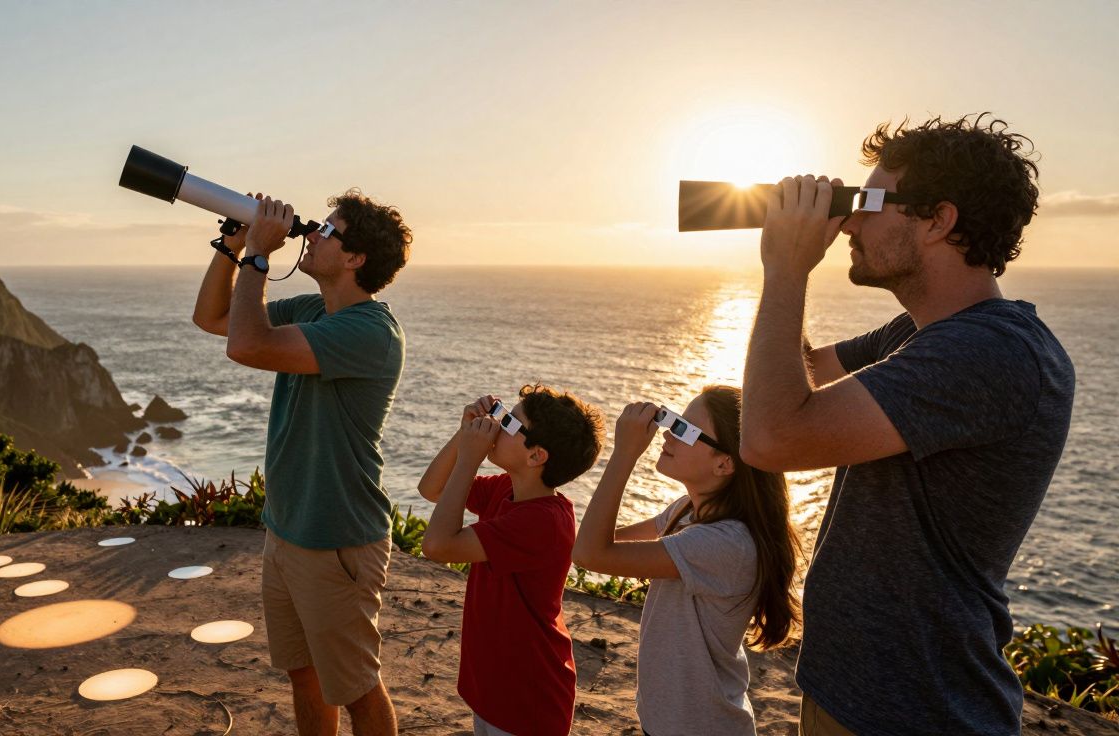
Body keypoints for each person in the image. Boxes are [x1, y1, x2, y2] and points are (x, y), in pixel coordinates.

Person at [739, 114, 1075, 734]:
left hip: (916, 708)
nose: (850, 222)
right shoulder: (921, 335)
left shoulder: (990, 353)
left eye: (867, 202)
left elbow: (771, 435)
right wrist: (787, 242)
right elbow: (798, 372)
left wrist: (787, 272)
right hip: (855, 692)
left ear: (937, 220)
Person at [191, 189, 412, 736]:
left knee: (357, 687)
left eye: (328, 231)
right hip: (286, 531)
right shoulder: (315, 309)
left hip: (337, 540)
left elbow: (245, 345)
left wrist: (260, 257)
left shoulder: (370, 332)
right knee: (304, 675)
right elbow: (212, 317)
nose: (312, 235)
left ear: (356, 258)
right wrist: (232, 248)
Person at [572, 386, 800, 735]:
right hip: (670, 720)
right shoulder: (687, 511)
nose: (667, 433)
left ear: (724, 463)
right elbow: (603, 541)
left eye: (684, 429)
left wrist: (625, 454)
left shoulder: (724, 543)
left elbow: (591, 553)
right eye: (672, 421)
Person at [416, 386, 605, 736]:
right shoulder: (508, 489)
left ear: (536, 456)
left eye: (508, 422)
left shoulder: (543, 522)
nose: (495, 426)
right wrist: (463, 435)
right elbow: (433, 488)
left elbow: (438, 546)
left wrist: (470, 458)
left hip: (528, 696)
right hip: (496, 685)